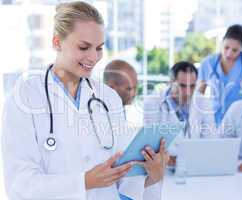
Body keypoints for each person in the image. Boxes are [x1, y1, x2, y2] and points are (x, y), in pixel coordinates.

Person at [1, 2, 162, 200]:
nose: (94, 57)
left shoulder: (108, 98)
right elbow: (19, 183)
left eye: (99, 48)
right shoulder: (25, 97)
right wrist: (84, 181)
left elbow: (122, 179)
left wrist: (150, 176)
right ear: (57, 42)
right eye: (84, 47)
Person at [103, 59, 169, 199]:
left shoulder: (121, 115)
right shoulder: (101, 119)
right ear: (111, 88)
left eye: (135, 87)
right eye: (129, 88)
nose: (133, 93)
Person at [143, 61, 213, 166]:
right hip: (163, 169)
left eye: (192, 86)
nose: (188, 92)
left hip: (194, 165)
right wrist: (165, 157)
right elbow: (149, 143)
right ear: (171, 82)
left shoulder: (203, 102)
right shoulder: (153, 103)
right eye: (182, 86)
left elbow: (210, 139)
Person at [198, 24, 242, 126]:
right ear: (221, 43)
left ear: (241, 48)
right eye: (226, 47)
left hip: (239, 118)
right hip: (212, 119)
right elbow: (199, 94)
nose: (228, 53)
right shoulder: (208, 63)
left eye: (235, 50)